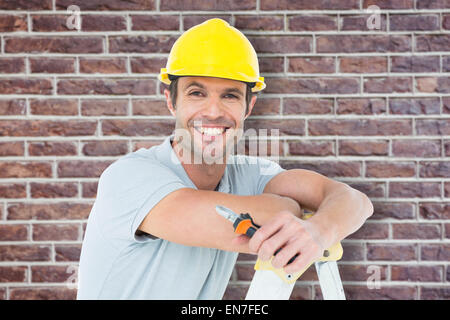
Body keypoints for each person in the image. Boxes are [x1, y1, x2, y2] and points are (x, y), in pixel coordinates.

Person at [77, 18, 373, 299]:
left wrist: (319, 230)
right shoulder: (130, 178)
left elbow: (355, 201)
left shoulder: (250, 175)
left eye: (230, 96)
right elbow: (229, 225)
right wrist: (288, 207)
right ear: (171, 101)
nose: (214, 111)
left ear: (248, 106)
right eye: (197, 93)